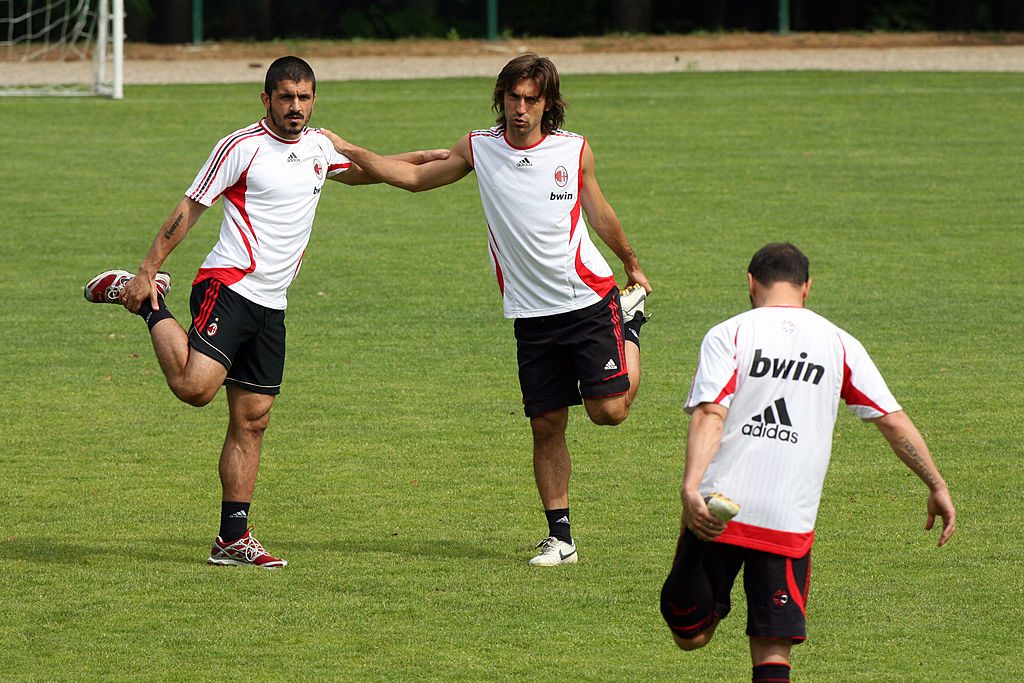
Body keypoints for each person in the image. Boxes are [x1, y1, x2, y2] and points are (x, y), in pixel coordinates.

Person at [83, 56, 446, 568]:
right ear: (266, 99)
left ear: (314, 100)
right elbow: (190, 207)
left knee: (252, 420)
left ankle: (233, 537)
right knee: (194, 388)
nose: (294, 107)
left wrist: (419, 157)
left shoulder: (320, 146)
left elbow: (361, 173)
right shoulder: (242, 147)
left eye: (303, 98)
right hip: (228, 285)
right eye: (285, 97)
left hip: (272, 305)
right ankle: (147, 298)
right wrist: (149, 266)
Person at [318, 53, 651, 566]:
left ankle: (630, 327)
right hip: (530, 314)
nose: (520, 109)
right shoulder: (479, 148)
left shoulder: (573, 150)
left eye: (530, 100)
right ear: (501, 99)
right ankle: (561, 539)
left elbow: (598, 210)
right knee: (546, 425)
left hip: (588, 301)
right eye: (512, 98)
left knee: (609, 413)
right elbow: (410, 179)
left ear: (548, 105)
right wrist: (346, 148)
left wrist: (630, 262)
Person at [660, 242, 956, 682]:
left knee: (691, 634)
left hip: (717, 509)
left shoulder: (730, 334)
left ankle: (690, 554)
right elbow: (892, 421)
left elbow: (710, 413)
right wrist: (936, 484)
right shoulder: (838, 343)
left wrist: (690, 487)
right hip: (787, 521)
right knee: (773, 651)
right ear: (807, 287)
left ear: (750, 283)